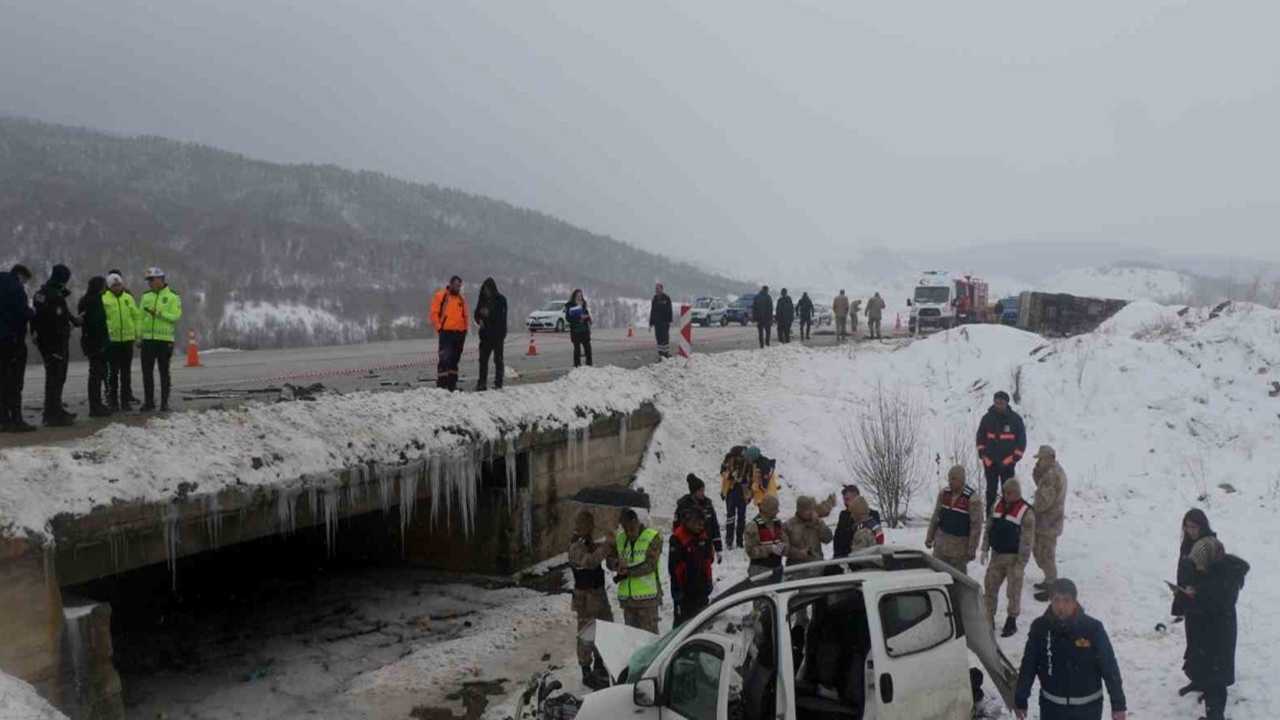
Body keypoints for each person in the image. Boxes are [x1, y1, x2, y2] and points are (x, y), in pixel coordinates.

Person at [1015, 579, 1127, 720]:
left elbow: (1109, 667)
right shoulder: (1040, 628)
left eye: (1067, 600)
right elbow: (1028, 665)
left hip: (1088, 711)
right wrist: (1021, 698)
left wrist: (1118, 704)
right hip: (1052, 710)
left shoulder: (1092, 628)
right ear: (1050, 600)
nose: (1062, 606)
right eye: (1057, 600)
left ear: (1075, 602)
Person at [1179, 517, 1248, 720]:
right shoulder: (1216, 575)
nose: (1198, 569)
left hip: (1217, 640)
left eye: (1199, 565)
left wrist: (1193, 595)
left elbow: (1212, 604)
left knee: (1216, 683)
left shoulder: (1222, 580)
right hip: (1213, 639)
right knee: (1212, 680)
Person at [981, 478, 1035, 637]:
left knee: (1013, 591)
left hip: (1014, 558)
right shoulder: (996, 505)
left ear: (1017, 494)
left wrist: (1022, 562)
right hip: (997, 555)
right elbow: (989, 527)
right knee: (990, 586)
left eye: (1009, 493)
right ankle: (988, 617)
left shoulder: (1026, 512)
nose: (1006, 496)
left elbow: (1027, 540)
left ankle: (1011, 620)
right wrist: (985, 548)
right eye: (1004, 492)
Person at [568, 510, 612, 689]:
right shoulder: (575, 546)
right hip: (585, 598)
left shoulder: (589, 542)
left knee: (605, 628)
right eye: (589, 524)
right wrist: (607, 546)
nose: (593, 527)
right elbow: (590, 561)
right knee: (586, 633)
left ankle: (600, 665)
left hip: (598, 594)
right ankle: (586, 670)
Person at [32, 264, 80, 426]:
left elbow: (38, 318)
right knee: (56, 378)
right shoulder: (54, 296)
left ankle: (54, 410)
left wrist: (73, 321)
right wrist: (70, 325)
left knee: (55, 378)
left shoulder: (41, 293)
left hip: (46, 342)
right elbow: (57, 321)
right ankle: (53, 414)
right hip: (55, 344)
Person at [607, 509, 663, 633]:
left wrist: (629, 571)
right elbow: (609, 559)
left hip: (647, 600)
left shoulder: (652, 537)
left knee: (650, 640)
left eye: (632, 529)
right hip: (628, 601)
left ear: (638, 524)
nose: (629, 533)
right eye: (626, 530)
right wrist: (616, 564)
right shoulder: (620, 538)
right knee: (632, 640)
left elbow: (651, 565)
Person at [976, 391, 1027, 518]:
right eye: (996, 402)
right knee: (990, 493)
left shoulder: (1015, 420)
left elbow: (1021, 442)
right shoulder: (987, 418)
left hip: (1007, 464)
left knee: (1009, 493)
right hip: (990, 464)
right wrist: (983, 456)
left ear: (1006, 403)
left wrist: (1013, 459)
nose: (998, 405)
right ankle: (989, 518)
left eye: (1001, 403)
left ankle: (1007, 517)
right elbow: (980, 438)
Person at [138, 268, 183, 411]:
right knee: (147, 372)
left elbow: (175, 316)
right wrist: (138, 336)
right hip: (147, 340)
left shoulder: (172, 296)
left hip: (164, 340)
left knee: (164, 372)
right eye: (148, 280)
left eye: (152, 280)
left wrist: (158, 313)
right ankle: (149, 401)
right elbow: (140, 317)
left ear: (160, 279)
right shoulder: (146, 296)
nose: (150, 283)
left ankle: (164, 402)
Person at [925, 465, 983, 573]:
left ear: (961, 479)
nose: (950, 482)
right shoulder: (944, 494)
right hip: (940, 546)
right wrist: (930, 536)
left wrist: (971, 549)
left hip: (959, 549)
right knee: (936, 575)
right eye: (949, 478)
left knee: (957, 581)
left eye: (953, 479)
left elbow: (976, 527)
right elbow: (936, 516)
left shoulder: (973, 499)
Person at [0, 264, 36, 433]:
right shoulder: (16, 289)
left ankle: (3, 418)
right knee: (14, 381)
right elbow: (21, 313)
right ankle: (16, 419)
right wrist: (32, 313)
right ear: (21, 276)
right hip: (13, 341)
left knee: (2, 380)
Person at [1031, 446, 1068, 601]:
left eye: (1041, 459)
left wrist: (1031, 509)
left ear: (1049, 458)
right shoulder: (1055, 472)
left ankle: (1051, 586)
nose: (1038, 462)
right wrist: (1037, 472)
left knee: (1045, 555)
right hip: (1052, 521)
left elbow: (1044, 501)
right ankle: (1048, 580)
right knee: (1044, 553)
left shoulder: (1051, 476)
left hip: (1047, 522)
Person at [669, 506, 715, 626]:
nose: (700, 527)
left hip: (701, 588)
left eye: (702, 524)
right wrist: (677, 589)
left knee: (701, 623)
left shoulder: (704, 536)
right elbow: (674, 567)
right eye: (697, 524)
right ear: (689, 522)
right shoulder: (678, 537)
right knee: (682, 624)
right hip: (684, 591)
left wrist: (709, 580)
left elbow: (707, 561)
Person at [103, 272, 140, 411]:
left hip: (127, 341)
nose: (117, 287)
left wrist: (136, 333)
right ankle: (113, 401)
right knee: (113, 373)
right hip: (112, 342)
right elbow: (103, 320)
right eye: (114, 285)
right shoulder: (104, 299)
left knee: (126, 373)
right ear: (109, 286)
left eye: (119, 285)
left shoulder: (128, 298)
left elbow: (136, 316)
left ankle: (125, 401)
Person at [77, 276, 112, 418]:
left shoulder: (84, 300)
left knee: (96, 374)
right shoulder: (95, 301)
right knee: (96, 375)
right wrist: (103, 344)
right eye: (104, 286)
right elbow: (97, 324)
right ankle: (95, 406)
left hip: (88, 341)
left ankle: (96, 404)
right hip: (96, 343)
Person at [430, 276, 468, 391]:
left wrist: (465, 329)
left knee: (455, 359)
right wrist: (439, 327)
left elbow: (465, 315)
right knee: (444, 358)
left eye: (459, 286)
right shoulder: (441, 296)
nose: (458, 288)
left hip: (459, 333)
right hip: (446, 332)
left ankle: (452, 384)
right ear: (450, 284)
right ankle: (442, 384)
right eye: (456, 285)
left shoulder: (461, 298)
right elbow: (433, 313)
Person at [719, 445, 758, 549]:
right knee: (730, 517)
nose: (741, 459)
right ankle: (729, 540)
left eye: (743, 457)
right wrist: (731, 475)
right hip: (731, 491)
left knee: (742, 517)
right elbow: (722, 471)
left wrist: (747, 484)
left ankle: (740, 541)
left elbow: (751, 477)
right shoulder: (728, 461)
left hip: (743, 492)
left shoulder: (748, 462)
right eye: (739, 457)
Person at [472, 277, 507, 391]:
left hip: (497, 335)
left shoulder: (500, 300)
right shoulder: (482, 300)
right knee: (483, 360)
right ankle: (481, 383)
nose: (486, 292)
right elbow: (476, 313)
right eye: (485, 290)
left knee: (498, 359)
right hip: (485, 334)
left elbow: (501, 318)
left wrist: (488, 315)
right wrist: (479, 320)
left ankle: (498, 382)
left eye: (488, 290)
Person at [675, 474, 723, 557]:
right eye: (700, 491)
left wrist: (718, 548)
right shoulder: (684, 506)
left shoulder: (708, 505)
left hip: (706, 548)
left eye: (703, 490)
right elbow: (676, 527)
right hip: (689, 548)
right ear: (694, 491)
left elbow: (714, 526)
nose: (703, 493)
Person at [833, 484, 885, 557]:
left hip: (865, 556)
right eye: (844, 500)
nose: (845, 503)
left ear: (856, 497)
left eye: (847, 499)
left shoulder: (872, 515)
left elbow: (877, 539)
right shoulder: (844, 515)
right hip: (845, 556)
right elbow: (838, 539)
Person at [744, 495, 788, 577]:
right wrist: (770, 549)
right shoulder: (753, 526)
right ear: (767, 510)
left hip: (777, 569)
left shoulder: (778, 523)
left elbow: (786, 540)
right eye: (775, 509)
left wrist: (783, 547)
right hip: (759, 571)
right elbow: (750, 551)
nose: (778, 511)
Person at [783, 495, 835, 566]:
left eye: (812, 509)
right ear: (800, 510)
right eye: (808, 510)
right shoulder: (789, 525)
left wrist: (819, 524)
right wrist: (798, 553)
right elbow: (782, 548)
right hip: (797, 569)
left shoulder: (817, 522)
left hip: (817, 566)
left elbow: (828, 539)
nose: (811, 512)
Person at [565, 289, 593, 367]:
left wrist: (587, 318)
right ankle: (577, 366)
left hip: (585, 330)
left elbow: (588, 315)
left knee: (588, 349)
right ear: (574, 296)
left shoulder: (584, 305)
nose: (579, 297)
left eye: (581, 296)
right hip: (575, 331)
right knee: (577, 350)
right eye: (578, 295)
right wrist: (578, 318)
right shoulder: (570, 305)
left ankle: (589, 364)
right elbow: (568, 318)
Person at [649, 283, 673, 360]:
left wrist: (670, 320)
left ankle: (666, 353)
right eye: (655, 289)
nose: (656, 290)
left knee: (665, 338)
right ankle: (660, 354)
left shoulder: (666, 298)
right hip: (657, 322)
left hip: (665, 322)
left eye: (658, 289)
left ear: (662, 289)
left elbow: (670, 310)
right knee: (658, 338)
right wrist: (651, 323)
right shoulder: (654, 299)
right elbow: (652, 311)